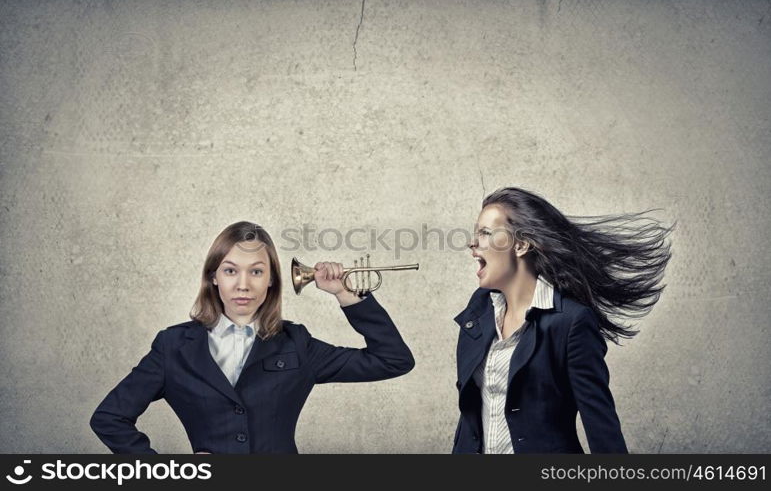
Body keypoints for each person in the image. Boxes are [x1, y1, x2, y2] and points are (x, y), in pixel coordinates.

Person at [90, 221, 414, 454]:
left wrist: (345, 293)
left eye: (256, 271)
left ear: (271, 280)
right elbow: (109, 418)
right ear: (213, 277)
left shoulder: (296, 343)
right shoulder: (174, 347)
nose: (243, 284)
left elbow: (393, 360)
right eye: (231, 270)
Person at [452, 187, 673, 454]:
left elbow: (600, 425)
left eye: (486, 233)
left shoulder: (571, 322)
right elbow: (472, 413)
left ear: (521, 245)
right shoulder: (478, 312)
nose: (472, 243)